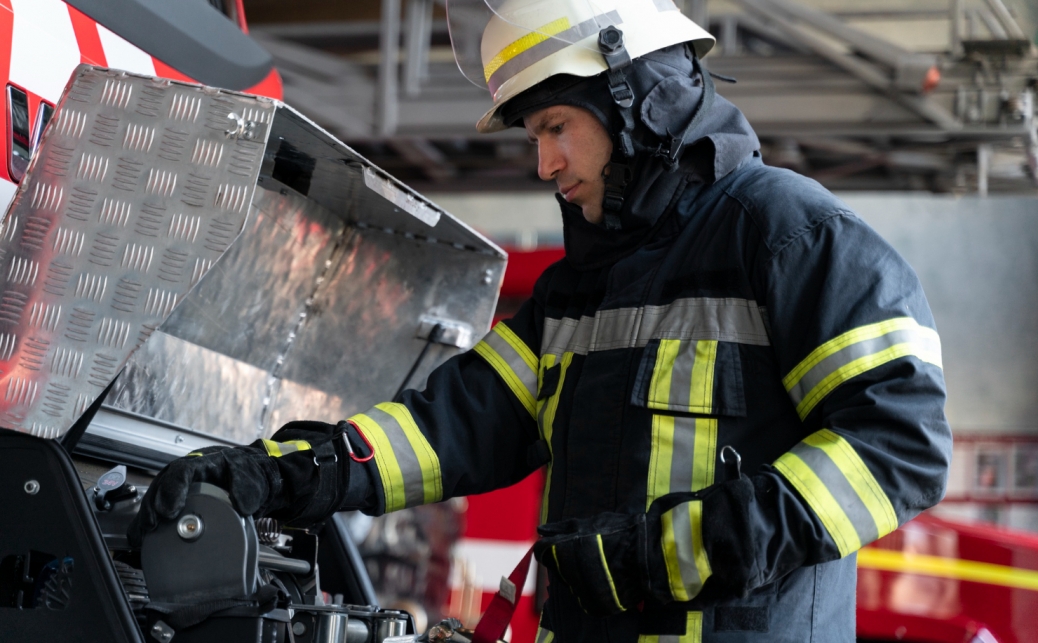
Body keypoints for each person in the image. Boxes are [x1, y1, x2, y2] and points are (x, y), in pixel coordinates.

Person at [129, 1, 952, 640]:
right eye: (535, 135)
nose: (544, 163)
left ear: (636, 98)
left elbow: (900, 444)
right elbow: (453, 425)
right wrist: (285, 472)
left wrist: (674, 549)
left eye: (556, 127)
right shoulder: (578, 291)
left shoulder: (790, 237)